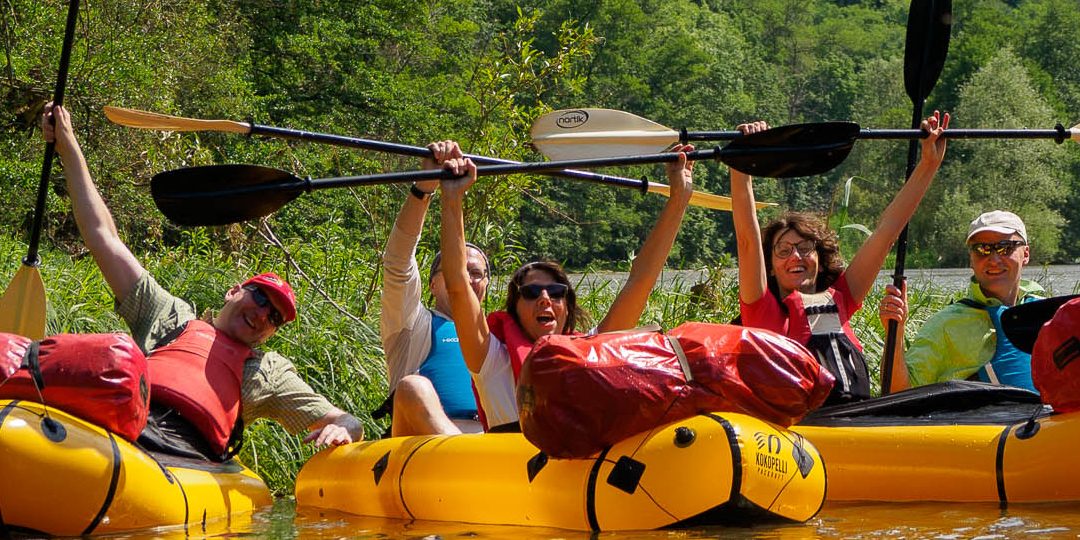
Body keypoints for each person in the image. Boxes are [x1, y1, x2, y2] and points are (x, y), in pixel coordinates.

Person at [42, 104, 361, 463]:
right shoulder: (169, 316)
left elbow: (344, 418)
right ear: (232, 291)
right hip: (124, 426)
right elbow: (104, 237)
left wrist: (345, 427)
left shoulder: (266, 371)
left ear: (271, 333)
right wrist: (68, 145)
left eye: (274, 317)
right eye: (259, 297)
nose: (262, 313)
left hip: (183, 456)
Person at [419, 142, 698, 434]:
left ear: (567, 306)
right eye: (530, 293)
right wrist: (452, 197)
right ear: (514, 309)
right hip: (512, 474)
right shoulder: (492, 360)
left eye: (555, 292)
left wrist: (678, 198)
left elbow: (640, 281)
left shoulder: (591, 350)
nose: (544, 299)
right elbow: (459, 286)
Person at [733, 112, 948, 404]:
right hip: (802, 438)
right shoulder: (762, 313)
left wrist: (928, 165)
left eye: (805, 247)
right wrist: (742, 163)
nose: (796, 256)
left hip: (855, 428)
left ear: (820, 257)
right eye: (783, 250)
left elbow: (885, 234)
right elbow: (747, 240)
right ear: (770, 268)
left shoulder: (843, 298)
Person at [378, 151, 492, 436]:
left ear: (487, 285)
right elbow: (398, 262)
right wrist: (424, 188)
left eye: (475, 273)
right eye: (454, 271)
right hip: (427, 449)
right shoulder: (413, 326)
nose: (464, 278)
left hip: (493, 451)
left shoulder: (498, 337)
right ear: (431, 285)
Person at [881, 209, 1045, 392]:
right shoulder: (945, 326)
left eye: (1005, 247)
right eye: (982, 249)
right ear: (971, 258)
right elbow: (896, 394)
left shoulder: (1047, 314)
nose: (994, 259)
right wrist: (895, 332)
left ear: (1026, 254)